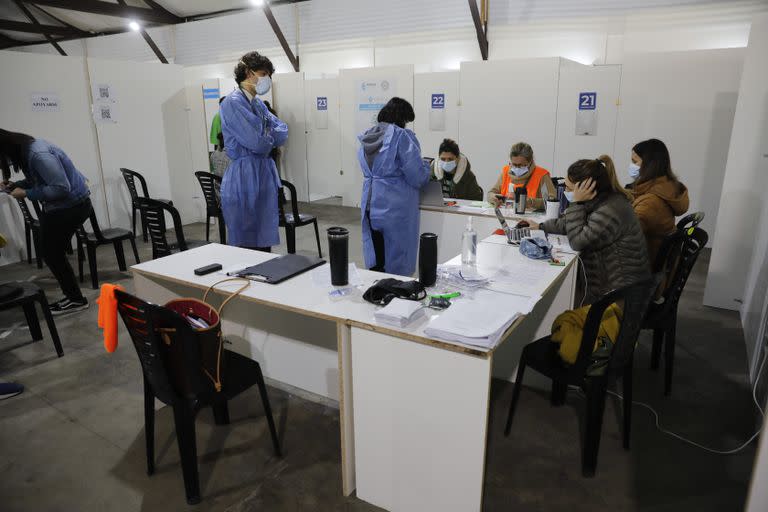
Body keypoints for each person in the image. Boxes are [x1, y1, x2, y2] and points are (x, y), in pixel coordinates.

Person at [537, 155, 650, 305]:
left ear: (587, 188)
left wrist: (576, 203)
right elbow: (570, 223)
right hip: (610, 287)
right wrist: (540, 226)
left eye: (569, 188)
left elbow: (578, 241)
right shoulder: (602, 200)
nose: (565, 190)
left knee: (562, 314)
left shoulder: (611, 210)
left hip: (619, 298)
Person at [0, 129, 91, 314]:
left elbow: (61, 188)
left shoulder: (38, 155)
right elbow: (40, 179)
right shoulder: (29, 149)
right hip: (68, 206)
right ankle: (74, 297)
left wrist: (27, 193)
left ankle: (76, 299)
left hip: (70, 207)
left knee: (51, 253)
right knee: (52, 252)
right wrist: (17, 185)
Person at [219, 51, 288, 252]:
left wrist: (264, 134)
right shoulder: (232, 103)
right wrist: (266, 136)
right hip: (244, 175)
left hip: (263, 173)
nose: (267, 79)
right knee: (246, 241)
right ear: (248, 73)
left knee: (263, 239)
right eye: (263, 73)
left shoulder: (257, 104)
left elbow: (282, 132)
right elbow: (257, 143)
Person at [359, 97, 430, 276]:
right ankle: (395, 297)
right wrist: (427, 166)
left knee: (377, 258)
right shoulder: (402, 137)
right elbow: (417, 177)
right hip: (395, 209)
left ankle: (376, 295)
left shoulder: (367, 136)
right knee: (398, 262)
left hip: (370, 205)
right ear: (402, 118)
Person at [629, 139, 690, 266]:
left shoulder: (651, 203)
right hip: (656, 262)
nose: (632, 166)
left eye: (635, 162)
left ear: (649, 164)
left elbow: (626, 236)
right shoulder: (666, 187)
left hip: (643, 269)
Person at [487, 142, 556, 209]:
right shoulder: (506, 171)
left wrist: (530, 202)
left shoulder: (541, 175)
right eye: (513, 164)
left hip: (532, 218)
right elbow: (491, 193)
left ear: (530, 162)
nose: (516, 168)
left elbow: (552, 201)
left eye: (520, 165)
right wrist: (493, 198)